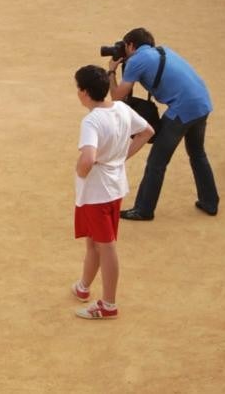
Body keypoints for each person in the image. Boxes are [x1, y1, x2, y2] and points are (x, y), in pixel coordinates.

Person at [109, 28, 220, 221]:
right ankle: (209, 201)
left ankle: (143, 210)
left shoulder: (136, 60)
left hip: (182, 109)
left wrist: (111, 70)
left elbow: (117, 97)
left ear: (130, 45)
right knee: (197, 153)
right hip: (202, 103)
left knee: (157, 161)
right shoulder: (164, 50)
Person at [70, 65, 153, 320]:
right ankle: (83, 287)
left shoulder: (91, 121)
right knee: (94, 242)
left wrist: (82, 172)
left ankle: (108, 304)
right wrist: (120, 158)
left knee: (105, 246)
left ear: (84, 92)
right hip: (115, 187)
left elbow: (88, 158)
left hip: (97, 192)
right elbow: (147, 131)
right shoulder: (121, 108)